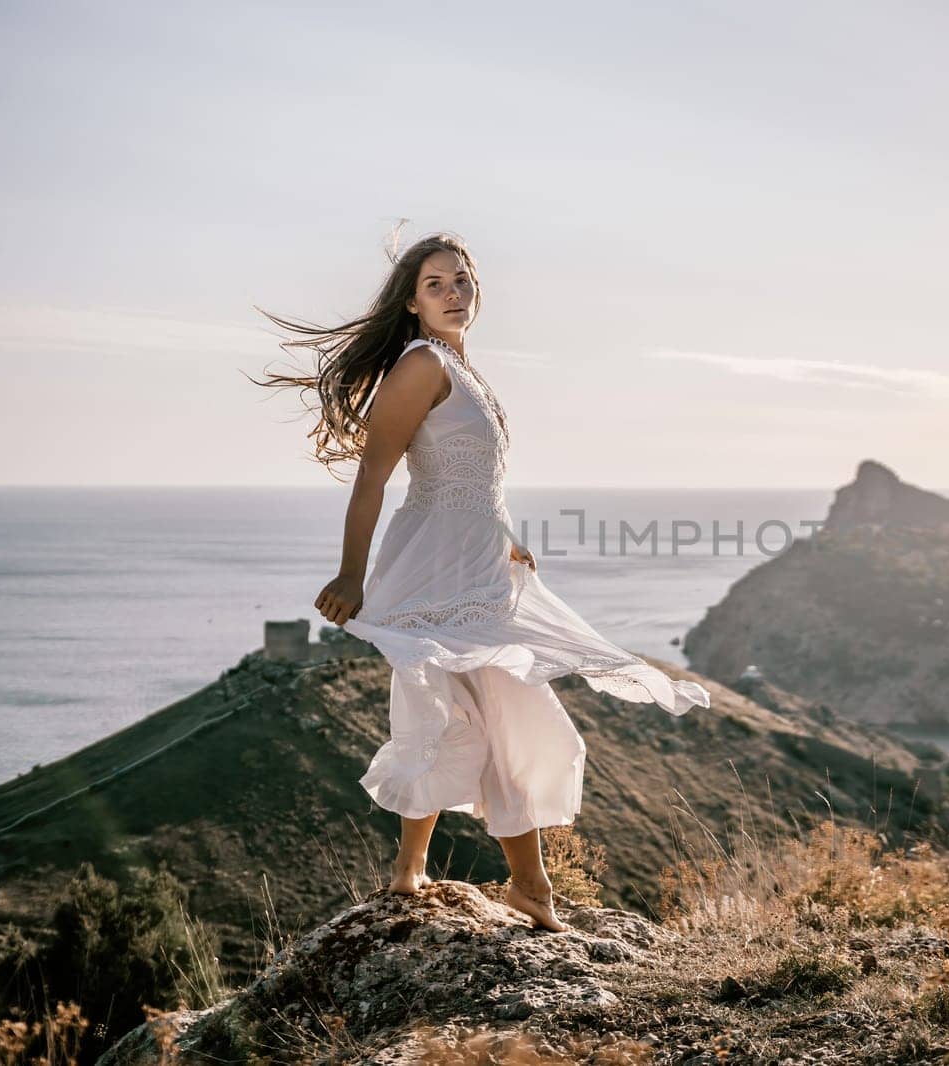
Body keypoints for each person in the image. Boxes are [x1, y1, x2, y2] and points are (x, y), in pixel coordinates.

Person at [251, 228, 710, 931]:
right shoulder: (421, 365)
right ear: (412, 302)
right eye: (435, 284)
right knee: (485, 712)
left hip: (478, 566)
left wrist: (506, 539)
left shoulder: (464, 369)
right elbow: (376, 474)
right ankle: (518, 886)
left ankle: (426, 872)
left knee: (469, 713)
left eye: (461, 280)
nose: (453, 293)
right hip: (434, 568)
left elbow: (472, 479)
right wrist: (351, 572)